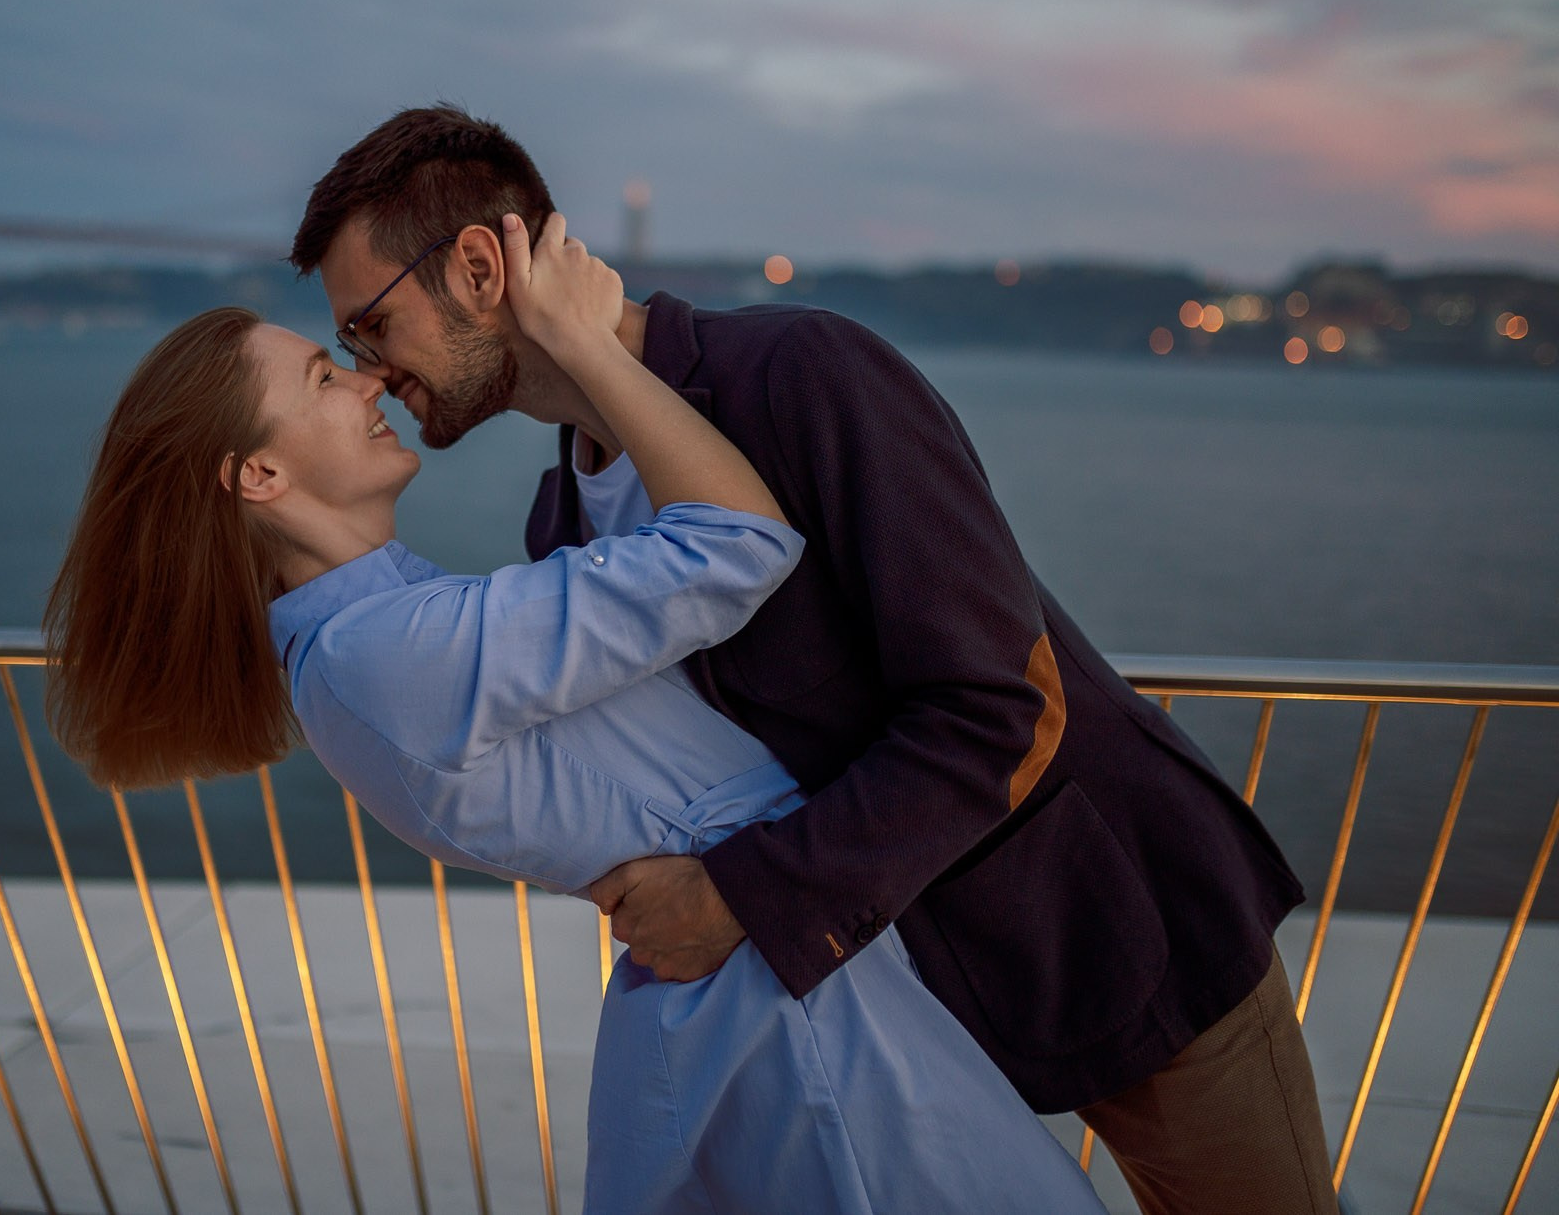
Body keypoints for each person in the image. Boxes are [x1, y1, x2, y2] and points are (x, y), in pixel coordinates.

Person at [289, 105, 1338, 1215]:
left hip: (1111, 933)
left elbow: (1000, 703)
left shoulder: (796, 375)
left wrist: (741, 896)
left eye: (371, 325)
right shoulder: (564, 522)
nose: (369, 373)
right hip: (919, 987)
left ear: (477, 265)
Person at [45, 217, 1109, 1213]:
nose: (367, 378)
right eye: (325, 376)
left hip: (775, 986)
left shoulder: (369, 639)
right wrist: (586, 342)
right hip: (802, 1024)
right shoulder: (386, 656)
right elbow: (737, 545)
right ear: (260, 473)